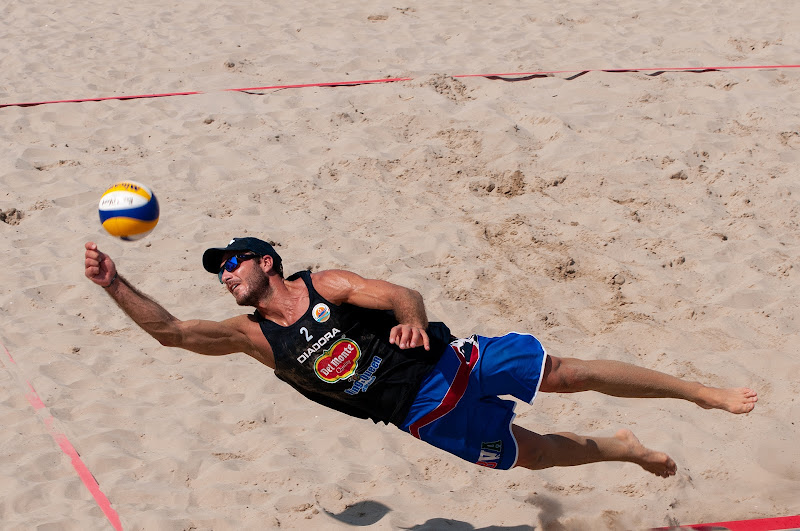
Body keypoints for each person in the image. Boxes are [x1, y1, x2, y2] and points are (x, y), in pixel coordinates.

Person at [84, 237, 757, 477]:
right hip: (421, 414)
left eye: (232, 264)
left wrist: (408, 320)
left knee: (565, 373)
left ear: (265, 261)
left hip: (449, 364)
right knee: (540, 454)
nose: (226, 276)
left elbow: (402, 294)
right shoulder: (253, 336)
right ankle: (625, 449)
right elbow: (171, 330)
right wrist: (115, 283)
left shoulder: (328, 283)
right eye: (220, 273)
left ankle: (698, 390)